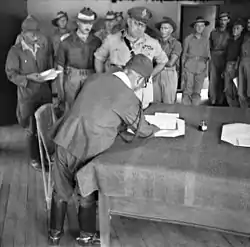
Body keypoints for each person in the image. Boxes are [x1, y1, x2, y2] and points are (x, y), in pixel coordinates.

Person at [48, 54, 160, 246]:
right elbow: (143, 130)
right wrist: (161, 128)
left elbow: (84, 103)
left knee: (60, 190)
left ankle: (54, 234)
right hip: (89, 147)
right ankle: (86, 235)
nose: (142, 87)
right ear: (140, 79)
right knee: (87, 191)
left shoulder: (95, 77)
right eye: (144, 84)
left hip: (65, 138)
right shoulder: (127, 96)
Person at [94, 6, 168, 109]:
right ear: (129, 21)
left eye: (143, 25)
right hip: (117, 87)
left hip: (141, 90)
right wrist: (102, 78)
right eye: (137, 23)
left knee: (140, 117)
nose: (140, 28)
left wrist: (149, 76)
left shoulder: (152, 43)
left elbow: (163, 61)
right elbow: (99, 58)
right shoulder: (112, 40)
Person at [5, 15, 52, 171]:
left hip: (44, 92)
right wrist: (27, 78)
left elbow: (47, 65)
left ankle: (45, 156)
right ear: (23, 33)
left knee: (45, 127)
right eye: (31, 32)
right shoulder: (16, 51)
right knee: (32, 129)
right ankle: (34, 158)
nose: (35, 35)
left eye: (37, 31)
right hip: (28, 95)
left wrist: (50, 74)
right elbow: (11, 74)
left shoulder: (42, 47)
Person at [56, 7, 101, 111]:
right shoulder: (66, 42)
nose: (88, 26)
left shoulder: (96, 41)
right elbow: (60, 67)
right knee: (71, 109)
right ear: (78, 22)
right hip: (72, 77)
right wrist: (61, 91)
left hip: (91, 76)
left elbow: (101, 63)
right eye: (85, 23)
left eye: (90, 23)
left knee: (89, 107)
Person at [182, 16, 210, 106]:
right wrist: (183, 70)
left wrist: (206, 71)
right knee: (187, 90)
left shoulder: (206, 40)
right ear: (194, 27)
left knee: (197, 91)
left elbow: (208, 57)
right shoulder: (188, 39)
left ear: (204, 27)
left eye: (202, 26)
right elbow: (184, 54)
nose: (199, 28)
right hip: (189, 66)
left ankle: (195, 111)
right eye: (197, 25)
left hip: (201, 67)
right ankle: (185, 111)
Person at [153, 17, 182, 104]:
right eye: (161, 28)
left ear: (171, 30)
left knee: (168, 101)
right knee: (155, 101)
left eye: (166, 28)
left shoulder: (176, 44)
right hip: (156, 72)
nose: (163, 30)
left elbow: (170, 63)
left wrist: (157, 60)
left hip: (169, 74)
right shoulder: (155, 42)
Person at [208, 12, 230, 106]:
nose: (223, 22)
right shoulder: (213, 32)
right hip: (214, 55)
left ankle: (221, 100)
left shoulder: (230, 33)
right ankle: (213, 99)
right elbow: (209, 45)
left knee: (223, 79)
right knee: (213, 78)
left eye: (225, 20)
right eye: (221, 19)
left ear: (228, 21)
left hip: (225, 56)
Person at [224, 18, 245, 107]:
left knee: (237, 89)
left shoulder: (243, 41)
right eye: (234, 28)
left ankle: (239, 109)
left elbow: (241, 55)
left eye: (237, 28)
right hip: (228, 65)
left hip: (236, 66)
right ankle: (231, 107)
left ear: (242, 29)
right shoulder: (230, 41)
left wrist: (237, 66)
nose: (235, 30)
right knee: (227, 88)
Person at [50, 11, 71, 97]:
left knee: (69, 88)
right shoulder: (53, 37)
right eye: (60, 20)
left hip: (69, 65)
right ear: (57, 22)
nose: (62, 22)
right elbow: (50, 53)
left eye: (64, 20)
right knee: (57, 89)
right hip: (57, 63)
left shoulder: (72, 35)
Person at [238, 17, 250, 108]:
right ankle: (244, 110)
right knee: (241, 90)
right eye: (248, 23)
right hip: (242, 62)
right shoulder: (245, 36)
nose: (249, 25)